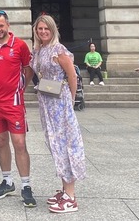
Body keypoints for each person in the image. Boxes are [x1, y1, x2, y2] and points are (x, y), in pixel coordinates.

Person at [31, 15, 86, 213]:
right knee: (54, 144)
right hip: (46, 102)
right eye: (40, 29)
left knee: (64, 145)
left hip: (60, 103)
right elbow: (30, 72)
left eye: (46, 28)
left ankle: (70, 197)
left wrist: (70, 101)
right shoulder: (38, 50)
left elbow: (72, 75)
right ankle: (65, 191)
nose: (43, 32)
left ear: (53, 30)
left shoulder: (58, 49)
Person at [0, 10, 36, 208]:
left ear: (8, 25)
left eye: (1, 25)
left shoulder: (20, 45)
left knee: (19, 144)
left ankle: (26, 185)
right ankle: (7, 181)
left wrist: (22, 87)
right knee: (1, 142)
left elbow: (28, 68)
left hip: (13, 104)